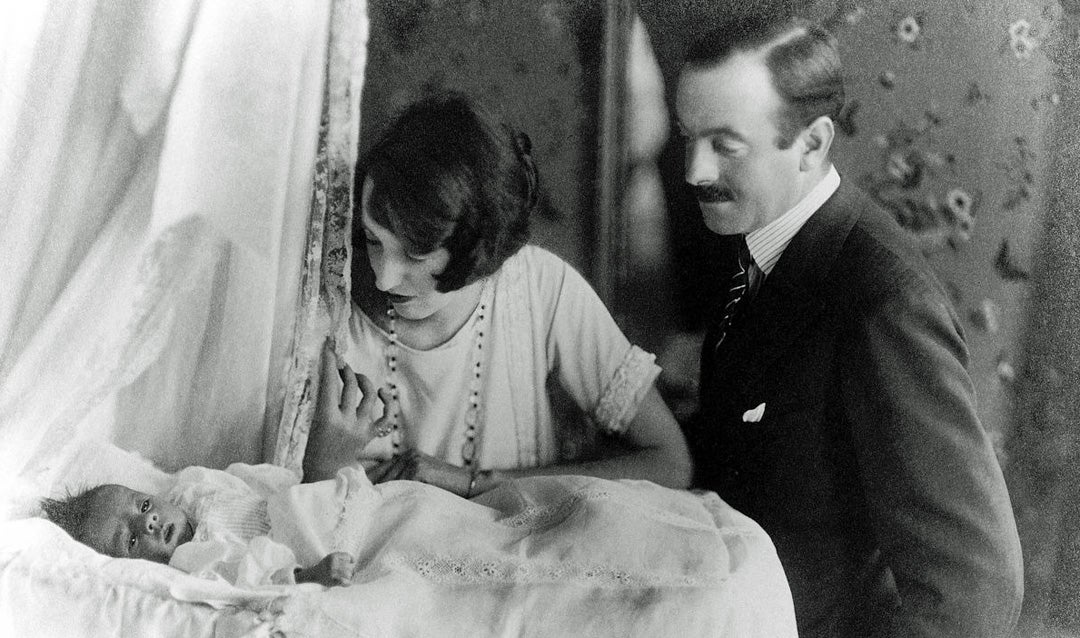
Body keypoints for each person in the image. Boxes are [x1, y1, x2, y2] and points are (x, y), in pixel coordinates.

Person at [674, 14, 1024, 638]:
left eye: (724, 146)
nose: (693, 171)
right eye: (688, 137)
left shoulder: (878, 298)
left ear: (811, 144)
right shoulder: (762, 242)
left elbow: (972, 589)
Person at [302, 93, 692, 497]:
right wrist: (324, 466)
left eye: (415, 254)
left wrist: (473, 483)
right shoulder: (328, 303)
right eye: (374, 240)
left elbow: (670, 462)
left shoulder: (540, 288)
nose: (383, 278)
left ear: (480, 250)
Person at [39, 470, 356, 588]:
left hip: (313, 507)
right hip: (309, 553)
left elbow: (263, 483)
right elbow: (254, 578)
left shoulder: (192, 487)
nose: (148, 522)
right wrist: (310, 575)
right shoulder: (195, 561)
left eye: (144, 505)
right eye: (132, 539)